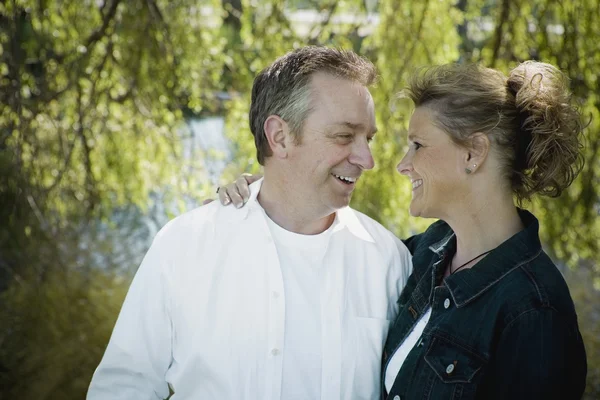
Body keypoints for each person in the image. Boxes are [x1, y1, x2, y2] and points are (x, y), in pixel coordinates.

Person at [217, 61, 588, 399]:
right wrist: (263, 195)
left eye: (418, 145)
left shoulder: (535, 311)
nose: (401, 165)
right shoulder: (425, 254)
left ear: (473, 153)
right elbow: (329, 249)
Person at [87, 46, 413, 400]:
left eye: (369, 138)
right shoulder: (184, 246)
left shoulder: (389, 261)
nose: (368, 159)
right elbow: (123, 387)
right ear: (280, 137)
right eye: (344, 136)